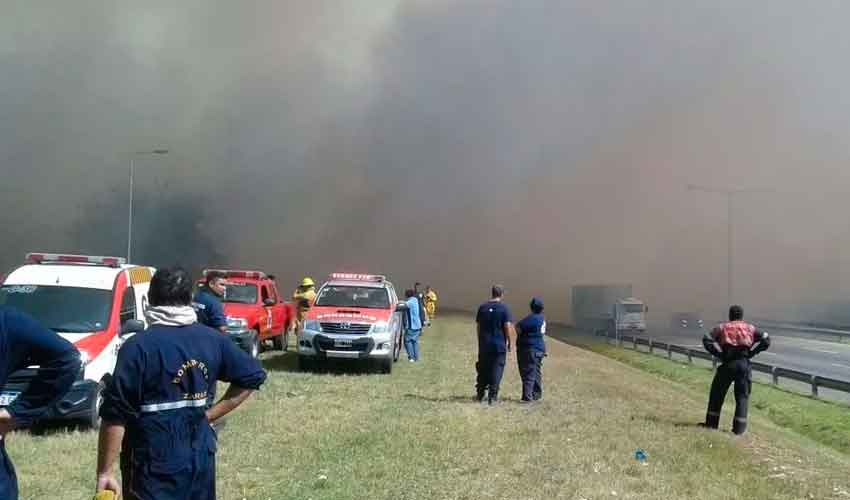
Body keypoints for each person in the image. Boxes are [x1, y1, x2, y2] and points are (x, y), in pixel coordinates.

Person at [95, 267, 266, 500]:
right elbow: (253, 375)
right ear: (190, 299)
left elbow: (115, 416)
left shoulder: (138, 347)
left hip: (151, 466)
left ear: (151, 299)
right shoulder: (213, 340)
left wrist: (105, 471)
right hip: (199, 460)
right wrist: (208, 415)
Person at [0, 306, 79, 500]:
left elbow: (67, 359)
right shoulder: (8, 321)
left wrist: (17, 412)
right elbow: (67, 358)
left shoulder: (7, 322)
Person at [701, 305, 770, 435]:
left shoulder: (722, 327)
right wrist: (752, 352)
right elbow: (766, 340)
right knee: (742, 397)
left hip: (727, 363)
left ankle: (711, 424)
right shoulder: (750, 328)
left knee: (717, 393)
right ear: (742, 316)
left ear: (730, 315)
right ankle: (739, 430)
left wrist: (718, 353)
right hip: (744, 363)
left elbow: (706, 338)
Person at [475, 285, 514, 405]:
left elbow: (478, 326)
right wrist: (509, 341)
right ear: (501, 294)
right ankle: (492, 396)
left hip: (484, 344)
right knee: (497, 369)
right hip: (498, 345)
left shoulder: (482, 307)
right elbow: (507, 326)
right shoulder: (504, 308)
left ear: (492, 293)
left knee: (483, 369)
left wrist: (480, 340)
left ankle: (480, 393)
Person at [515, 297, 547, 402]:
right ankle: (536, 394)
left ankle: (527, 397)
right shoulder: (542, 318)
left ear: (532, 307)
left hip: (530, 349)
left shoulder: (533, 318)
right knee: (536, 372)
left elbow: (518, 327)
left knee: (528, 372)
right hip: (539, 349)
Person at [403, 289, 423, 362]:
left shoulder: (410, 302)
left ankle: (411, 357)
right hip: (418, 325)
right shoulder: (415, 300)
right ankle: (416, 358)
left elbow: (403, 305)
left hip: (412, 326)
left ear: (406, 295)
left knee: (407, 341)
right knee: (415, 342)